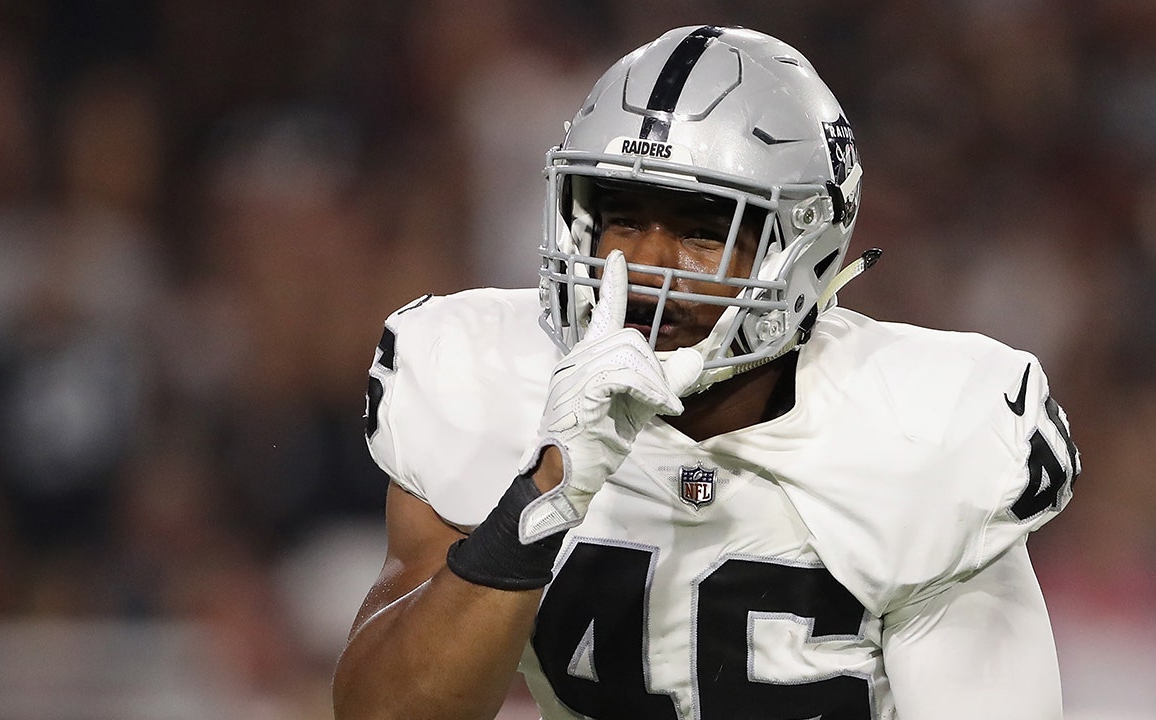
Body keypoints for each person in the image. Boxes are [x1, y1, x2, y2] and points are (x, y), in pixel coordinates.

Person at [332, 25, 1080, 720]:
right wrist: (545, 493)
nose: (645, 267)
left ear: (803, 251)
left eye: (700, 231)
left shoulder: (926, 435)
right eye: (623, 218)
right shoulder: (478, 375)